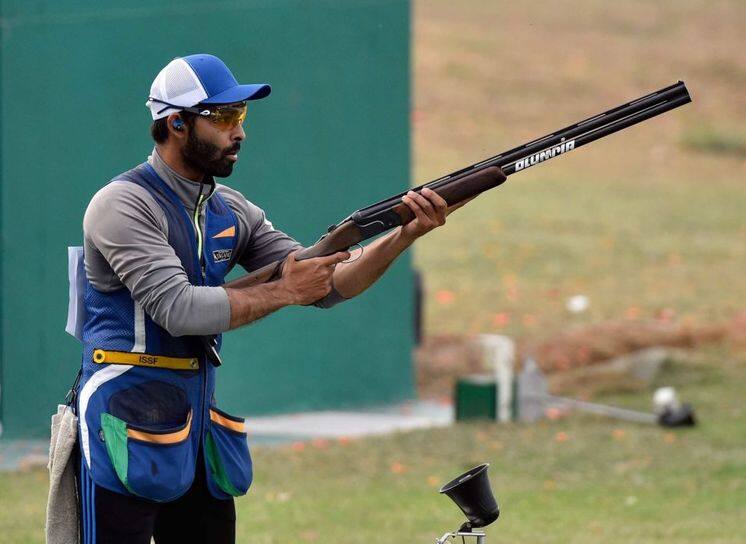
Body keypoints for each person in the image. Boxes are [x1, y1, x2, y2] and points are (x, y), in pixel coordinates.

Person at [74, 53, 459, 544]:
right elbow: (179, 309)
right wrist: (285, 289)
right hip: (122, 420)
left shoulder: (232, 209)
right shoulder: (122, 205)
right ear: (176, 123)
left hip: (195, 425)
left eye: (242, 116)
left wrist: (404, 234)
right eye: (224, 117)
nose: (240, 132)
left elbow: (327, 282)